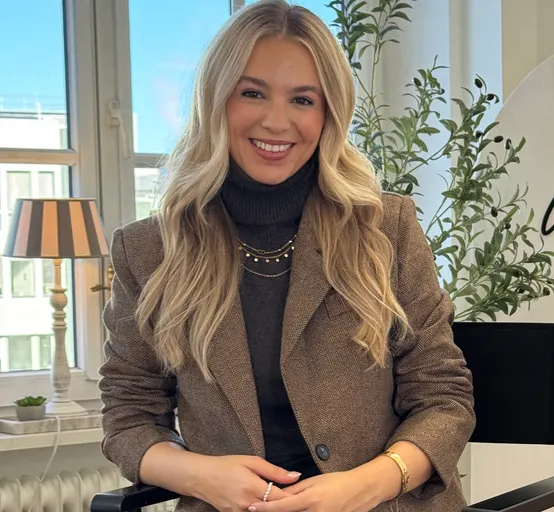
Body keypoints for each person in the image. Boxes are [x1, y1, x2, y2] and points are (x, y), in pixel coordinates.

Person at [97, 1, 475, 511]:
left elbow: (443, 397)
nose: (277, 121)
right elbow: (128, 414)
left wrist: (366, 486)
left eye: (303, 99)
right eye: (252, 93)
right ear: (216, 101)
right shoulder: (149, 251)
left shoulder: (386, 228)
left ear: (328, 113)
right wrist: (200, 475)